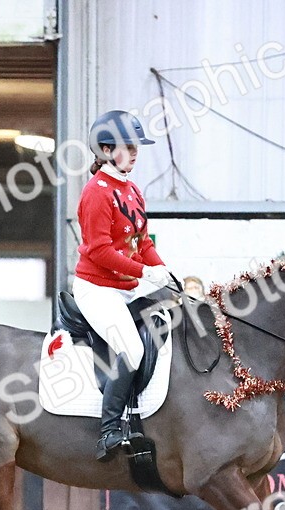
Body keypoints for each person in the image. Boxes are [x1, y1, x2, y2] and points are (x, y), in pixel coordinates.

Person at [73, 109, 172, 461]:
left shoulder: (132, 190)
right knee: (131, 347)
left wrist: (161, 269)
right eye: (127, 147)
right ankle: (110, 430)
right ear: (105, 150)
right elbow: (99, 251)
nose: (134, 153)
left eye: (135, 147)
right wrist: (144, 272)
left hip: (128, 285)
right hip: (97, 287)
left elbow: (142, 242)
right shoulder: (96, 193)